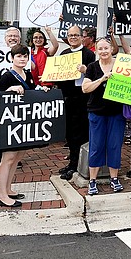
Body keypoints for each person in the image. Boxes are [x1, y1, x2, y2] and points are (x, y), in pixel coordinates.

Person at [0, 44, 42, 207]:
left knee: (17, 157)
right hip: (10, 124)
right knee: (7, 158)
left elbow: (33, 93)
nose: (22, 59)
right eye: (19, 56)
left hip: (23, 122)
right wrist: (9, 89)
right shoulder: (7, 76)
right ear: (12, 58)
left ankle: (8, 189)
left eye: (24, 56)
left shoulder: (28, 74)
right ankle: (1, 195)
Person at [82, 37, 127, 195]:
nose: (103, 51)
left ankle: (114, 178)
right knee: (96, 146)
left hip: (117, 113)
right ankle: (92, 180)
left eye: (106, 48)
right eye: (100, 49)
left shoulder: (122, 64)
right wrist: (101, 79)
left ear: (112, 49)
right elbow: (85, 88)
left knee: (115, 145)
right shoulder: (93, 67)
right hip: (97, 112)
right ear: (96, 49)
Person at [56, 25, 95, 180]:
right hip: (68, 98)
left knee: (82, 132)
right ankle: (72, 163)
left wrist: (86, 70)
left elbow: (93, 75)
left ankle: (80, 164)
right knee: (70, 133)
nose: (73, 37)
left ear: (81, 37)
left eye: (76, 35)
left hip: (82, 99)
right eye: (70, 35)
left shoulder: (88, 54)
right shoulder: (64, 53)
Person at [0, 26, 22, 169]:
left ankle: (16, 157)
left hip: (19, 100)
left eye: (15, 36)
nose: (13, 38)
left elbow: (33, 67)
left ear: (20, 39)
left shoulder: (24, 53)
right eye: (10, 36)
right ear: (5, 39)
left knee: (17, 128)